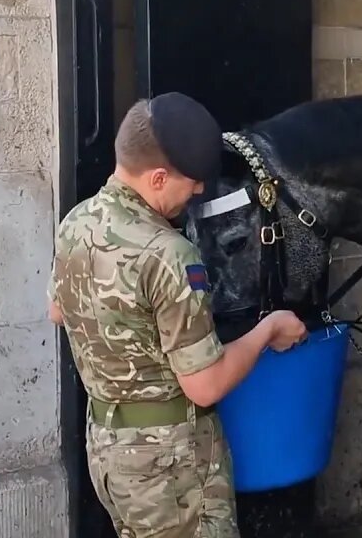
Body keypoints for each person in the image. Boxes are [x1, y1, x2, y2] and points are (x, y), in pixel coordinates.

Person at [49, 93, 309, 538]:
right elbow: (205, 384)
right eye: (192, 182)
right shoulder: (169, 253)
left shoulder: (77, 222)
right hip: (172, 468)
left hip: (110, 452)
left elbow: (58, 310)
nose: (199, 191)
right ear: (157, 178)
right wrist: (268, 330)